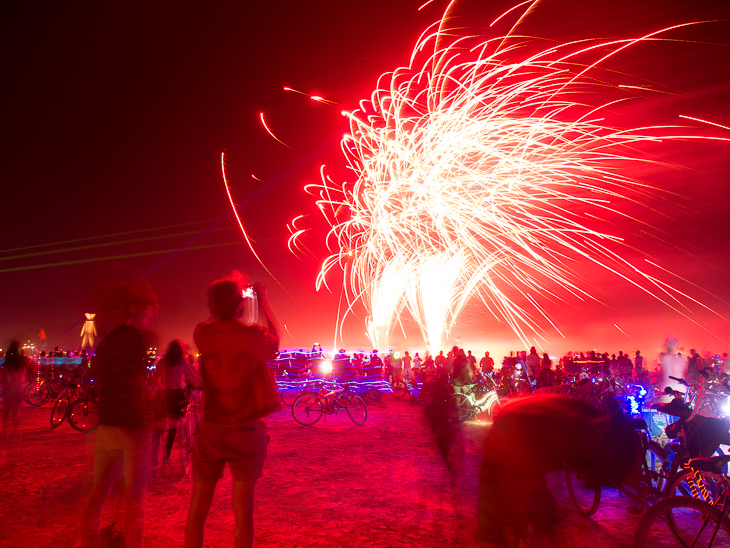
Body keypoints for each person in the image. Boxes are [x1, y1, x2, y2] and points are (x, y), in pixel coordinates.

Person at [185, 274, 280, 548]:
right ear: (240, 305)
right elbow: (275, 341)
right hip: (246, 431)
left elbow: (213, 317)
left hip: (212, 429)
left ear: (211, 306)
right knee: (243, 513)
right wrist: (263, 303)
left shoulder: (202, 333)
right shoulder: (253, 336)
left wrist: (221, 303)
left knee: (198, 511)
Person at [478, 394, 636, 545]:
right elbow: (534, 463)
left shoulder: (588, 423)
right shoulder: (578, 433)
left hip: (522, 425)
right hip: (511, 436)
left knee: (540, 505)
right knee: (493, 524)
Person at [80, 281, 159, 548]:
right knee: (135, 496)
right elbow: (140, 381)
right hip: (131, 425)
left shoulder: (106, 342)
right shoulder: (138, 338)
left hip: (106, 424)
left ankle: (88, 540)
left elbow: (97, 382)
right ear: (133, 309)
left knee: (99, 490)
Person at [151, 339, 202, 466]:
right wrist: (203, 384)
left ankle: (153, 456)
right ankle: (167, 457)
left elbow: (155, 379)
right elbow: (192, 377)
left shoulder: (163, 362)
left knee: (158, 428)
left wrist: (161, 386)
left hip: (163, 396)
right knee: (173, 427)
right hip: (177, 396)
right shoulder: (182, 362)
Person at [1, 340, 26, 442]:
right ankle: (14, 432)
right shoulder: (21, 361)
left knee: (6, 411)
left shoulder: (6, 361)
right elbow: (23, 375)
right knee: (16, 412)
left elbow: (2, 376)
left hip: (8, 389)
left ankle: (5, 431)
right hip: (18, 389)